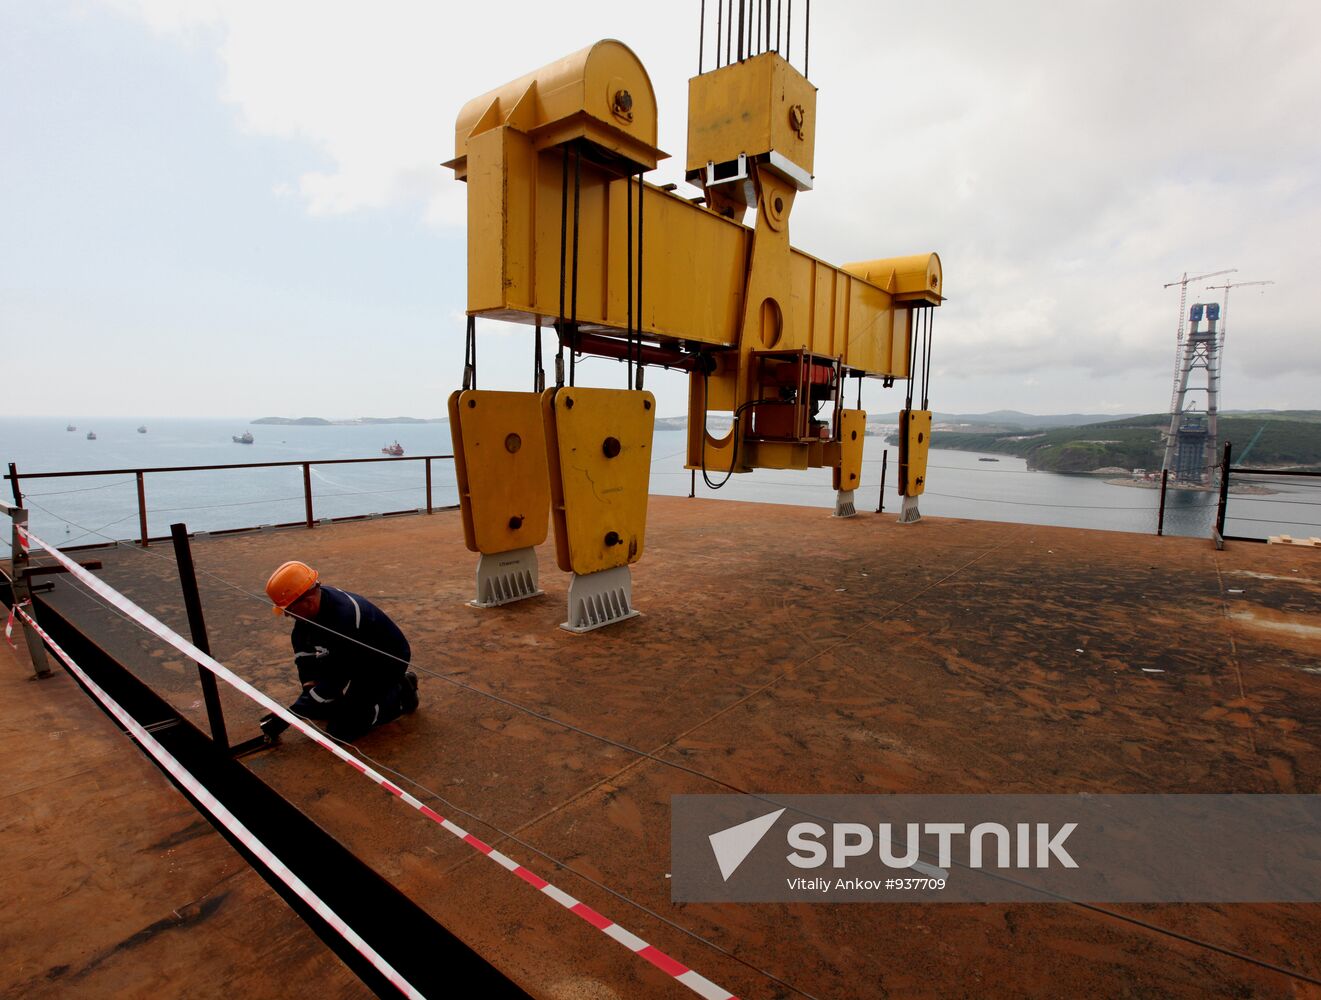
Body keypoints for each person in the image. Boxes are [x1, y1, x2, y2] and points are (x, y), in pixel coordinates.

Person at [260, 560, 418, 742]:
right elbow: (303, 650)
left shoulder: (344, 619)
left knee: (342, 730)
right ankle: (343, 704)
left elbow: (336, 680)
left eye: (289, 609)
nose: (287, 615)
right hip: (352, 657)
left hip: (384, 662)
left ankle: (401, 693)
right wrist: (309, 687)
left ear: (308, 601)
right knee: (321, 704)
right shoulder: (308, 613)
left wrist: (288, 717)